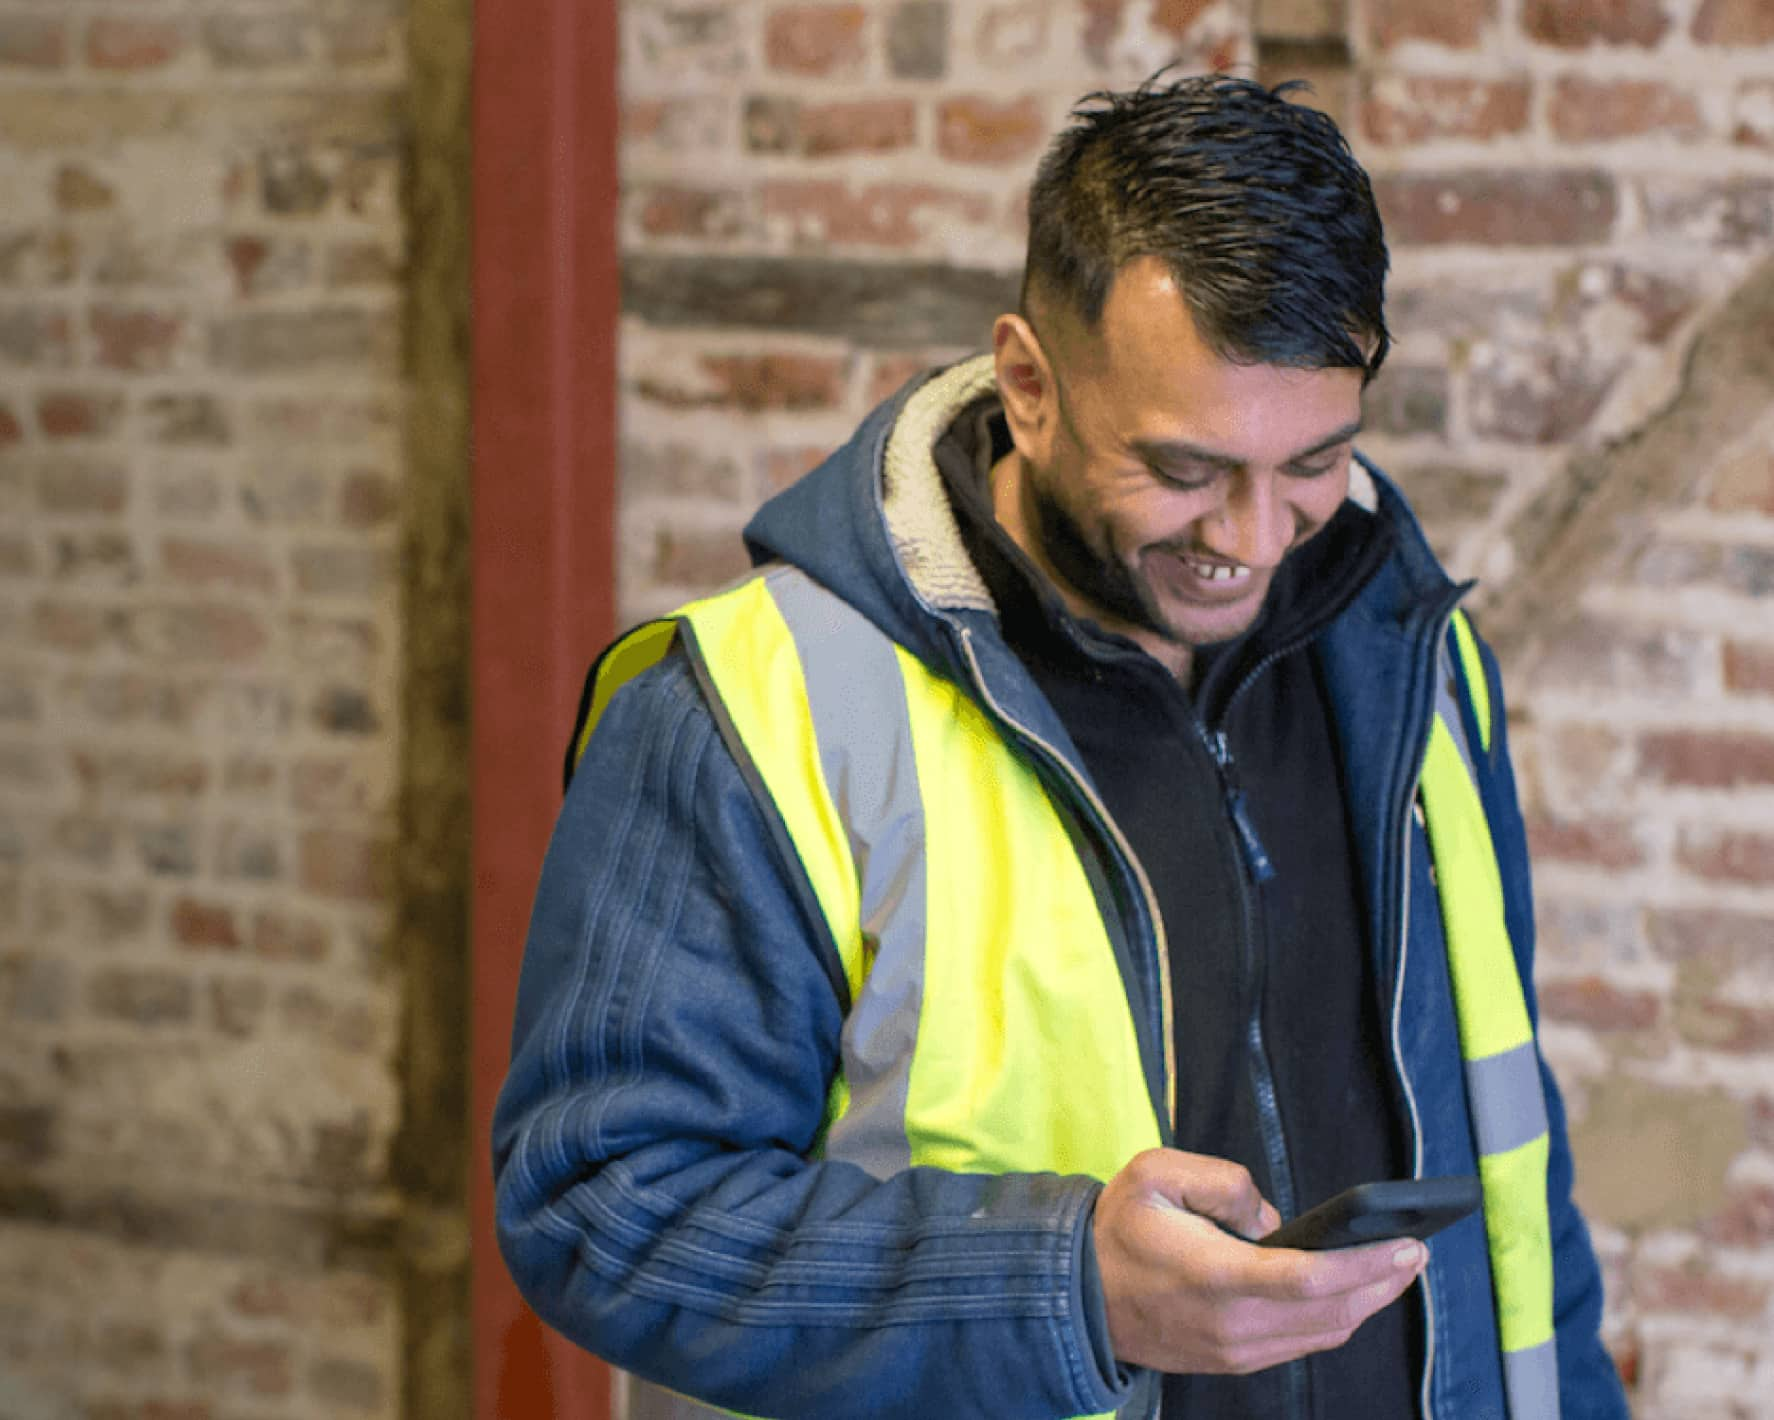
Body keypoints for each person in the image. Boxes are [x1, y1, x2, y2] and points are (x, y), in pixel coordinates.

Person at [493, 74, 1628, 1420]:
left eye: (1311, 462)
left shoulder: (1413, 658)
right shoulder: (749, 706)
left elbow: (1508, 1170)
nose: (1253, 542)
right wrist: (1064, 1289)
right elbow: (602, 1206)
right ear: (1029, 386)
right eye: (1186, 470)